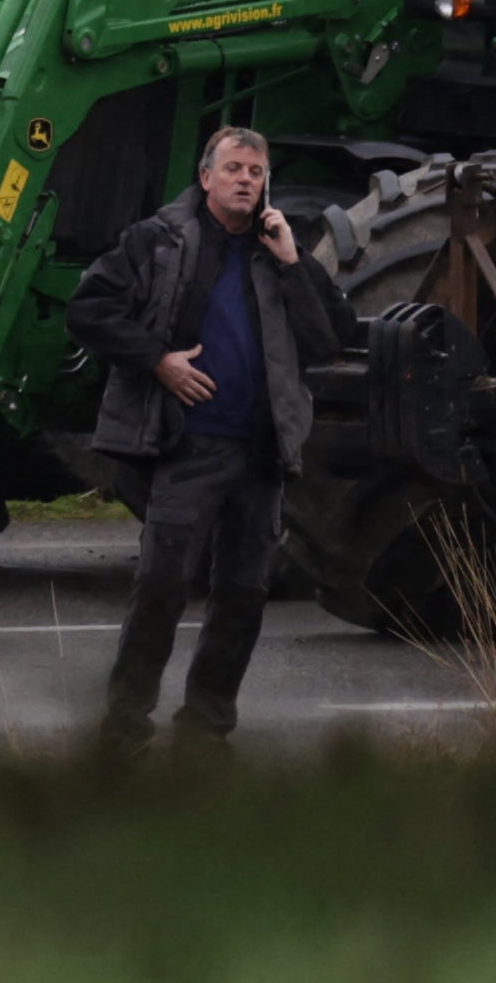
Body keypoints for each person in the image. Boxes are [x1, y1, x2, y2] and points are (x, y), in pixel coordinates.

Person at [70, 120, 336, 751]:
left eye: (256, 171)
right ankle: (123, 728)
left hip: (262, 453)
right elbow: (90, 309)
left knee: (243, 597)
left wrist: (295, 263)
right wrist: (158, 359)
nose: (246, 180)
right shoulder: (158, 241)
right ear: (206, 176)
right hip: (189, 444)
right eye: (235, 169)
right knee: (161, 587)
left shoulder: (280, 251)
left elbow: (329, 338)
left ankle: (206, 733)